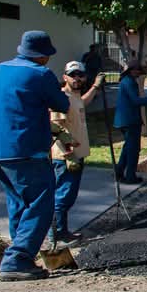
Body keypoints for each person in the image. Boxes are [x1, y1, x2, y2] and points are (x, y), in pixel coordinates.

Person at [0, 31, 70, 281]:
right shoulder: (41, 74)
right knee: (40, 205)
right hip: (28, 150)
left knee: (18, 204)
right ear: (43, 55)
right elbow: (62, 105)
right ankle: (17, 259)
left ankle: (20, 257)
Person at [49, 61, 105, 243]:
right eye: (72, 75)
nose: (76, 78)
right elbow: (55, 128)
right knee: (63, 196)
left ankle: (62, 231)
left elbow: (83, 103)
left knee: (68, 196)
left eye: (80, 75)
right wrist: (68, 154)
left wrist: (95, 87)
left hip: (77, 154)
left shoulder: (74, 97)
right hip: (65, 157)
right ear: (65, 77)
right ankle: (57, 235)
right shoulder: (61, 98)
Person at [113, 60, 147, 184]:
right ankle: (130, 176)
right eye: (136, 70)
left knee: (128, 148)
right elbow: (135, 100)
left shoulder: (127, 81)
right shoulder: (129, 82)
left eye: (139, 70)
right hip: (129, 120)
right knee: (133, 150)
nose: (138, 72)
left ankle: (119, 172)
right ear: (130, 70)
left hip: (126, 120)